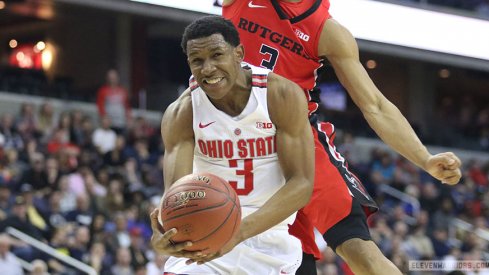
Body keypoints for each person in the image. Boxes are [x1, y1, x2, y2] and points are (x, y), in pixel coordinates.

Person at [222, 1, 462, 274]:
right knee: (292, 263)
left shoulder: (328, 31)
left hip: (301, 142)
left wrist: (425, 158)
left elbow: (375, 105)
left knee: (359, 250)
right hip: (236, 143)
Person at [150, 15, 314, 274]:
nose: (207, 69)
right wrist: (165, 235)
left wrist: (237, 232)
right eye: (197, 61)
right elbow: (176, 196)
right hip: (206, 235)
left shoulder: (280, 95)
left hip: (268, 235)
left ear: (239, 53)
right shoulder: (182, 112)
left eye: (217, 55)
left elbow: (302, 184)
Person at [96, 69, 131, 133]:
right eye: (110, 78)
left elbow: (127, 106)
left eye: (114, 78)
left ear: (117, 78)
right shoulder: (103, 91)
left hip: (121, 122)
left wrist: (128, 118)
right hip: (109, 122)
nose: (112, 80)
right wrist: (104, 117)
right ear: (107, 79)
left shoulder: (123, 91)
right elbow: (100, 106)